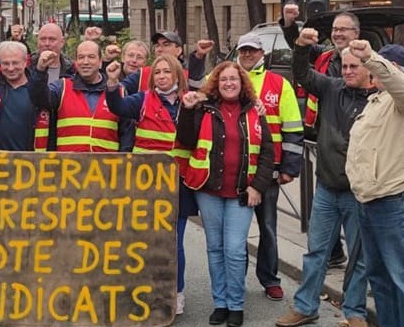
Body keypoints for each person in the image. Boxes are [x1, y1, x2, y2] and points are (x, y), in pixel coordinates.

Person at [276, 27, 373, 327]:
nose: (347, 71)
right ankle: (306, 306)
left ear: (368, 68)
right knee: (316, 252)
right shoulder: (332, 88)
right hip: (328, 189)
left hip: (360, 192)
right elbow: (302, 74)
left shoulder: (379, 98)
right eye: (344, 66)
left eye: (354, 66)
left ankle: (355, 312)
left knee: (359, 257)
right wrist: (301, 46)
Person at [176, 61, 274, 327]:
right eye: (223, 80)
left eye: (234, 79)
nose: (229, 83)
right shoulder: (204, 109)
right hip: (209, 191)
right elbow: (185, 139)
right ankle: (220, 303)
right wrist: (187, 110)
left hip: (242, 193)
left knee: (234, 250)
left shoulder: (255, 111)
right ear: (216, 85)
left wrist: (258, 186)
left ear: (242, 83)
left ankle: (236, 304)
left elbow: (267, 152)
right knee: (215, 247)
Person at [105, 53, 199, 316]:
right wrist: (112, 84)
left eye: (167, 72)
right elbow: (118, 108)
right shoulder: (142, 100)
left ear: (177, 75)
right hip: (146, 183)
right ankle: (143, 289)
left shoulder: (189, 101)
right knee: (144, 241)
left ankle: (176, 292)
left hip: (179, 183)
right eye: (157, 72)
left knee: (175, 242)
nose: (161, 76)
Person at [345, 42, 404, 327]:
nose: (370, 73)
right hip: (368, 199)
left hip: (392, 199)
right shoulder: (376, 101)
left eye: (377, 67)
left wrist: (370, 56)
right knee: (379, 277)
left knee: (403, 280)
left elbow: (399, 85)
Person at [281, 4, 357, 268]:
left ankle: (357, 261)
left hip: (355, 140)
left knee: (351, 206)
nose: (337, 34)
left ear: (356, 34)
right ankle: (334, 252)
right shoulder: (325, 56)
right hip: (325, 132)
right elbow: (299, 49)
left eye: (343, 30)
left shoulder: (367, 60)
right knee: (325, 197)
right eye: (335, 30)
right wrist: (290, 24)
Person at [234, 32, 304, 302]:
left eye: (252, 50)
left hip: (269, 171)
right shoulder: (226, 78)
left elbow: (293, 128)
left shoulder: (278, 83)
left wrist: (290, 167)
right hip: (234, 171)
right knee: (236, 231)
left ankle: (270, 279)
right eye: (244, 51)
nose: (248, 55)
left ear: (262, 53)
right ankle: (235, 278)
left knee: (269, 229)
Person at [29, 40, 118, 152]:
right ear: (75, 62)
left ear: (100, 61)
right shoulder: (62, 87)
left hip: (109, 167)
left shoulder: (115, 91)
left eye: (91, 57)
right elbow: (39, 98)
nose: (85, 62)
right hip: (67, 166)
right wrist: (40, 70)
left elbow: (126, 132)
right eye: (81, 57)